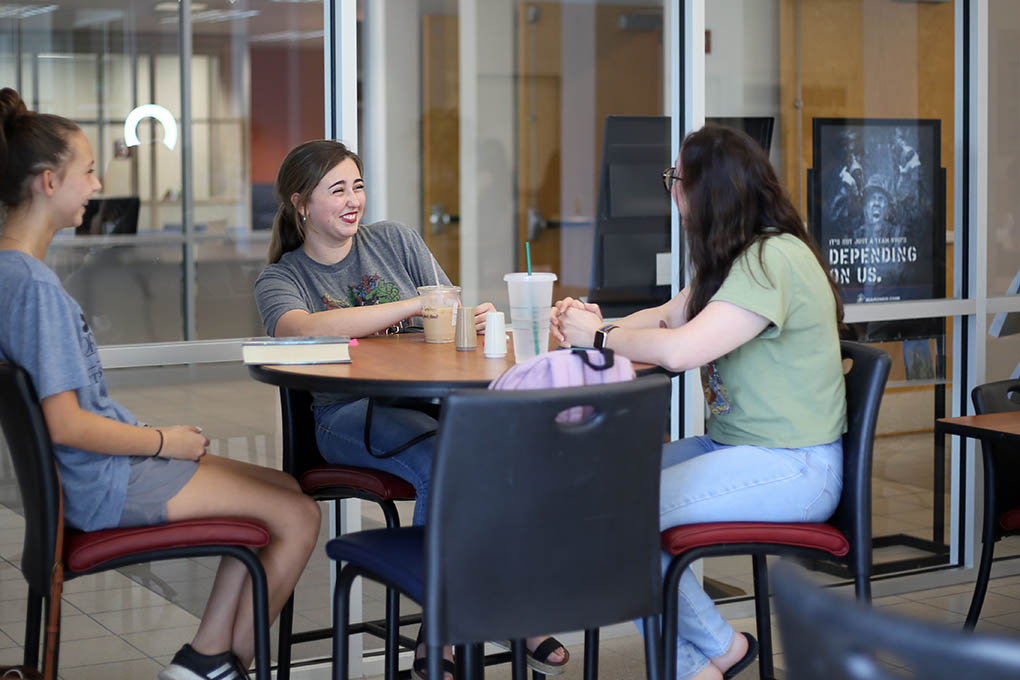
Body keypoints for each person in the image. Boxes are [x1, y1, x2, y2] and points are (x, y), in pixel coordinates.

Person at [0, 88, 322, 680]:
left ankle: (203, 662)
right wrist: (164, 441)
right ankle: (219, 669)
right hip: (103, 483)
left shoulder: (10, 272)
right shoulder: (33, 286)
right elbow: (64, 422)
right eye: (89, 172)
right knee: (298, 517)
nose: (97, 187)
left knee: (283, 489)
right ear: (48, 182)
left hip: (95, 474)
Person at [253, 139, 567, 678]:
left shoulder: (395, 240)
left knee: (505, 453)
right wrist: (418, 304)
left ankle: (493, 615)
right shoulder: (283, 278)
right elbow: (299, 330)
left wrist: (477, 318)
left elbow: (451, 314)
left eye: (358, 185)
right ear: (301, 204)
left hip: (429, 402)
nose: (354, 200)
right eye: (337, 190)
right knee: (446, 462)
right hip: (345, 418)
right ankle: (451, 633)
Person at [551, 124, 847, 680]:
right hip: (740, 448)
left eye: (676, 179)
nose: (671, 190)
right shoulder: (736, 256)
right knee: (594, 497)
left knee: (619, 515)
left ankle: (702, 660)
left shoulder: (772, 259)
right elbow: (666, 317)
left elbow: (683, 349)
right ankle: (713, 654)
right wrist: (591, 323)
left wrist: (595, 338)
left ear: (709, 189)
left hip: (796, 464)